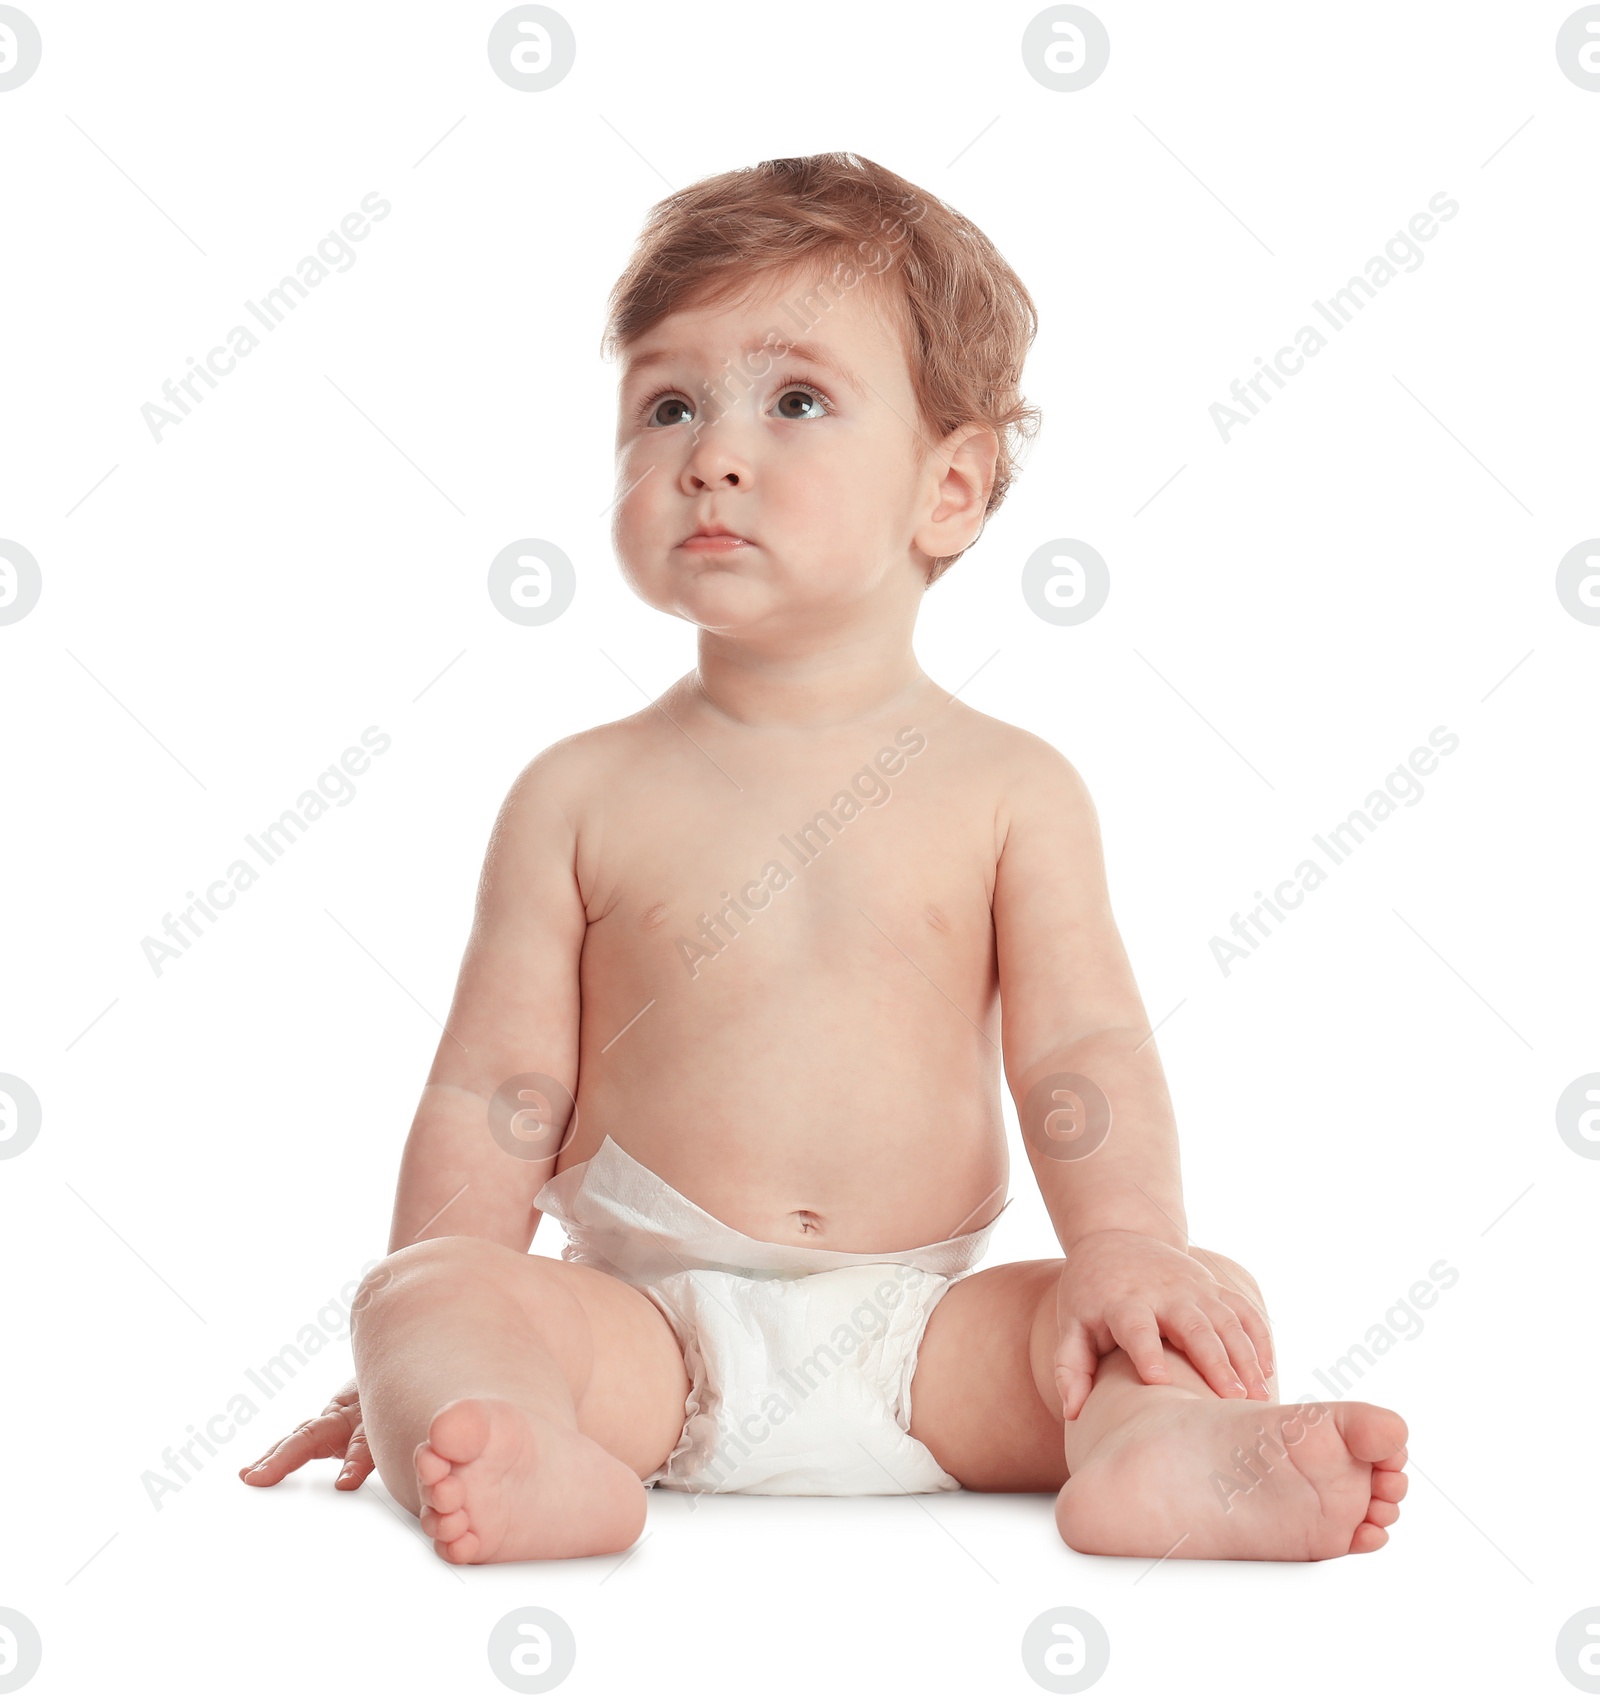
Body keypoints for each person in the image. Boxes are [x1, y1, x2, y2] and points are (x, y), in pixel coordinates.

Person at [241, 152, 1407, 1565]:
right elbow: (498, 1093)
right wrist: (440, 1332)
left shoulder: (1012, 789)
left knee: (1178, 1298)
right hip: (645, 1339)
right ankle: (523, 1438)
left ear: (952, 489)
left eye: (796, 401)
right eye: (669, 403)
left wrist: (1128, 1241)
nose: (712, 451)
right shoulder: (577, 793)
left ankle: (1160, 1452)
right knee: (414, 1294)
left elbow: (1081, 1049)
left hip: (927, 1338)